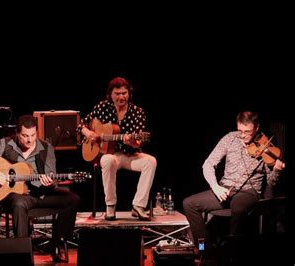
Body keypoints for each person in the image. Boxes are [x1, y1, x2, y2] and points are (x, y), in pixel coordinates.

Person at [0, 115, 80, 262]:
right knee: (19, 203)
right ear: (17, 133)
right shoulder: (6, 143)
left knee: (72, 199)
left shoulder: (46, 148)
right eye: (25, 136)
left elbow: (52, 176)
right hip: (17, 195)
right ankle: (22, 252)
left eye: (33, 135)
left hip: (42, 193)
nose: (29, 140)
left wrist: (49, 182)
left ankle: (56, 244)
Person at [182, 111, 285, 249]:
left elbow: (271, 183)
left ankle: (232, 253)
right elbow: (208, 164)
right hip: (225, 188)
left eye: (247, 131)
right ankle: (204, 249)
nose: (243, 135)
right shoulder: (230, 138)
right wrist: (215, 186)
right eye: (240, 131)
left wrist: (277, 171)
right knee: (189, 204)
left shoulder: (265, 147)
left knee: (238, 205)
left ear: (256, 127)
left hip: (249, 191)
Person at [78, 76, 157, 221]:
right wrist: (89, 133)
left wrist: (132, 141)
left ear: (129, 93)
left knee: (151, 162)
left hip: (130, 155)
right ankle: (110, 205)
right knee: (107, 160)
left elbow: (138, 142)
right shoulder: (102, 107)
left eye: (124, 93)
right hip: (111, 155)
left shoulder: (137, 112)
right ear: (110, 95)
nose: (121, 97)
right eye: (118, 93)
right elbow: (81, 124)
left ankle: (138, 206)